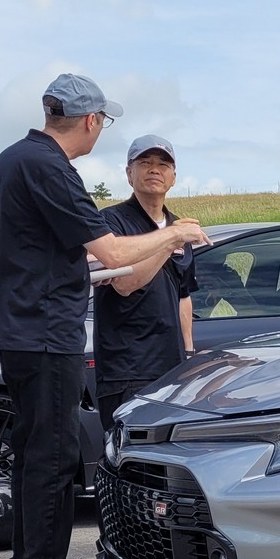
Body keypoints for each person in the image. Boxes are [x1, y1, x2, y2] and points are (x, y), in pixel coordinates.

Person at [0, 73, 208, 559]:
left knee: (37, 451)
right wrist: (177, 233)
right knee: (55, 456)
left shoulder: (15, 158)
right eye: (102, 123)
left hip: (23, 327)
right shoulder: (50, 167)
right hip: (43, 330)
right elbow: (113, 257)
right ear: (90, 121)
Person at [93, 134, 199, 431]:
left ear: (174, 177)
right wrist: (171, 239)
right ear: (129, 173)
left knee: (167, 460)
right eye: (145, 162)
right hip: (127, 368)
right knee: (128, 457)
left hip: (172, 368)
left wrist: (188, 356)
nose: (155, 169)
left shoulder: (179, 226)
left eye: (163, 164)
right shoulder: (109, 223)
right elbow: (126, 284)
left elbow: (183, 295)